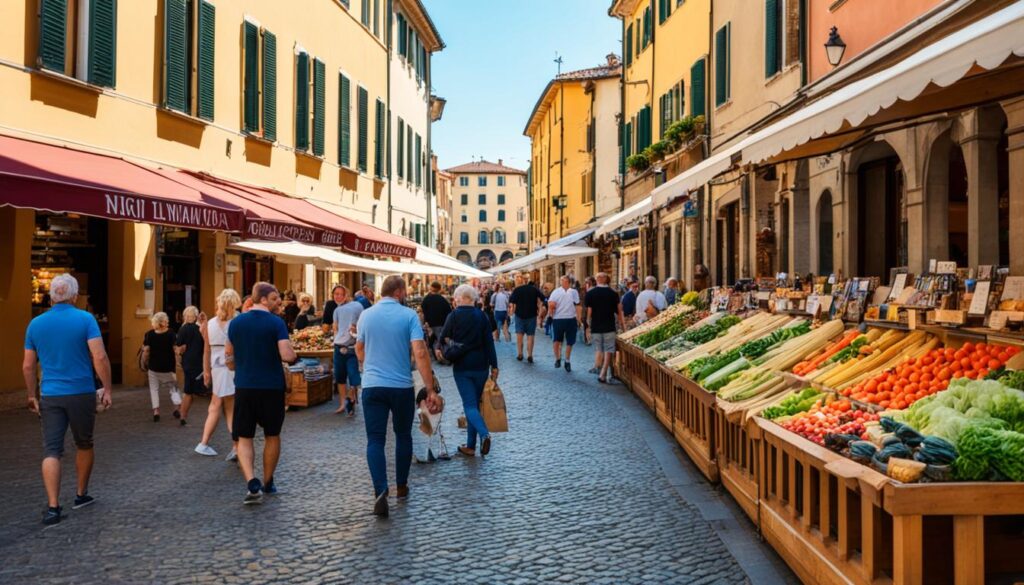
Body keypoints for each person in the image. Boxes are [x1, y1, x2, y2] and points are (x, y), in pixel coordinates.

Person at [23, 274, 113, 525]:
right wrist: (107, 388)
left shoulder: (36, 324)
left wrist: (32, 395)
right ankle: (81, 494)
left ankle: (53, 506)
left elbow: (28, 366)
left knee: (52, 450)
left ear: (52, 296)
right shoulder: (85, 319)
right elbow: (100, 356)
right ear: (74, 296)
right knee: (84, 443)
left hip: (51, 393)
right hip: (81, 392)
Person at [355, 275, 437, 517]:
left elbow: (359, 348)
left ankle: (380, 489)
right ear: (400, 292)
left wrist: (369, 364)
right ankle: (401, 486)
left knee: (375, 440)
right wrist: (430, 388)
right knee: (403, 435)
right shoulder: (408, 315)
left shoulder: (366, 315)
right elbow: (420, 352)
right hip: (400, 386)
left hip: (372, 386)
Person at [225, 282, 298, 505]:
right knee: (272, 435)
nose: (279, 302)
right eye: (275, 298)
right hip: (271, 387)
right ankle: (267, 481)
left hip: (245, 386)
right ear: (263, 299)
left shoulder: (235, 323)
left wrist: (243, 363)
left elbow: (229, 358)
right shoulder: (276, 323)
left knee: (244, 436)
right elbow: (286, 355)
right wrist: (294, 354)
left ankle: (251, 481)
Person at [439, 285, 498, 458]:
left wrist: (444, 349)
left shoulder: (454, 315)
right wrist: (494, 366)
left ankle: (484, 434)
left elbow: (442, 338)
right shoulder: (482, 316)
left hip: (462, 366)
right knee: (475, 405)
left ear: (459, 298)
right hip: (481, 366)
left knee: (469, 405)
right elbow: (489, 343)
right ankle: (471, 446)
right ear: (472, 299)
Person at [195, 288, 241, 459]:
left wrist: (206, 370)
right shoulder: (237, 321)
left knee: (217, 405)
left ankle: (206, 443)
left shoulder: (211, 324)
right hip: (231, 367)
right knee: (227, 407)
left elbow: (206, 349)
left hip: (216, 368)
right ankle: (232, 446)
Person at [586, 273, 626, 384]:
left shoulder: (591, 293)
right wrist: (623, 326)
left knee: (599, 348)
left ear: (597, 280)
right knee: (609, 350)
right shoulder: (613, 294)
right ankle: (605, 373)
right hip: (609, 326)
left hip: (596, 326)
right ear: (607, 280)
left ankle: (601, 370)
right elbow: (619, 312)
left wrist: (588, 326)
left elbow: (589, 312)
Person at [332, 285, 364, 416]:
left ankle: (350, 397)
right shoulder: (337, 310)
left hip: (350, 348)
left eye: (340, 294)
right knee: (340, 377)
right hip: (339, 347)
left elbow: (360, 324)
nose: (337, 296)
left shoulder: (356, 306)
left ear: (346, 294)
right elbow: (336, 328)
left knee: (353, 376)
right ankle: (343, 403)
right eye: (335, 294)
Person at [144, 312, 182, 422]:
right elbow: (176, 349)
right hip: (168, 367)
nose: (168, 322)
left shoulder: (149, 334)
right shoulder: (171, 333)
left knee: (154, 389)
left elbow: (146, 351)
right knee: (173, 389)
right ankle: (177, 408)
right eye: (166, 321)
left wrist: (145, 362)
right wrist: (179, 358)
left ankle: (156, 411)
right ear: (161, 322)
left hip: (153, 367)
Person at [175, 306, 205, 426]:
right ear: (196, 316)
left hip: (187, 362)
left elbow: (179, 347)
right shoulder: (200, 329)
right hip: (199, 362)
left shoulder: (183, 330)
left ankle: (182, 414)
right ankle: (182, 413)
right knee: (192, 391)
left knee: (188, 390)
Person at [548, 275, 582, 372]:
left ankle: (567, 360)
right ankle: (557, 358)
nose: (562, 282)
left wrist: (578, 319)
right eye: (561, 280)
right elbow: (550, 304)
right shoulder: (556, 292)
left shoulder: (574, 292)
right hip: (558, 319)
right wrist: (550, 312)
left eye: (564, 281)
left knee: (570, 341)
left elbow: (577, 305)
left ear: (568, 282)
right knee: (557, 340)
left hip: (571, 319)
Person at [508, 277, 545, 363]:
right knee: (530, 336)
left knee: (519, 336)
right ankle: (530, 355)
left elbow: (512, 302)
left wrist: (511, 311)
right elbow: (543, 298)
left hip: (519, 316)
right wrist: (539, 309)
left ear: (519, 282)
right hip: (532, 315)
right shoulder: (534, 289)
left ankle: (520, 354)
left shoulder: (517, 290)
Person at [420, 281, 452, 353]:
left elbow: (422, 311)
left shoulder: (426, 298)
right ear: (439, 289)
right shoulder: (443, 299)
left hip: (430, 324)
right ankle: (443, 355)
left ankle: (436, 353)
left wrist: (425, 322)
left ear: (431, 288)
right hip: (441, 323)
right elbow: (449, 312)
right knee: (441, 340)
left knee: (435, 339)